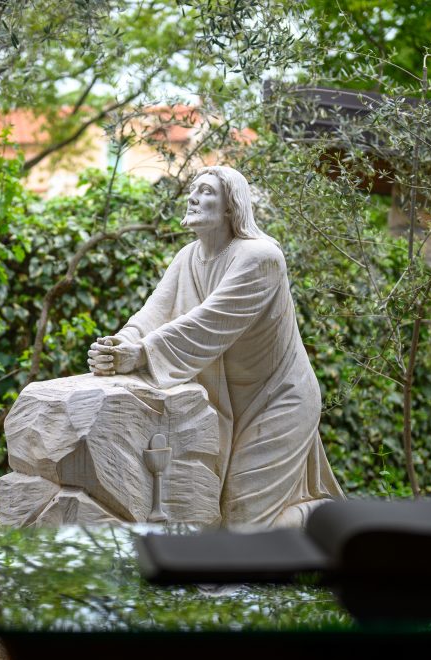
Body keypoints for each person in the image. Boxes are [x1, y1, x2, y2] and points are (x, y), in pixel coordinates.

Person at [87, 166, 343, 526]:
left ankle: (331, 521)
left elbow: (211, 322)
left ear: (230, 206)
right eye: (193, 189)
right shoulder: (187, 257)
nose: (193, 197)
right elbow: (153, 313)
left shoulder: (261, 257)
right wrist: (120, 344)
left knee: (244, 523)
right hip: (232, 401)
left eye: (206, 191)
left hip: (278, 400)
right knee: (218, 516)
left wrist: (142, 353)